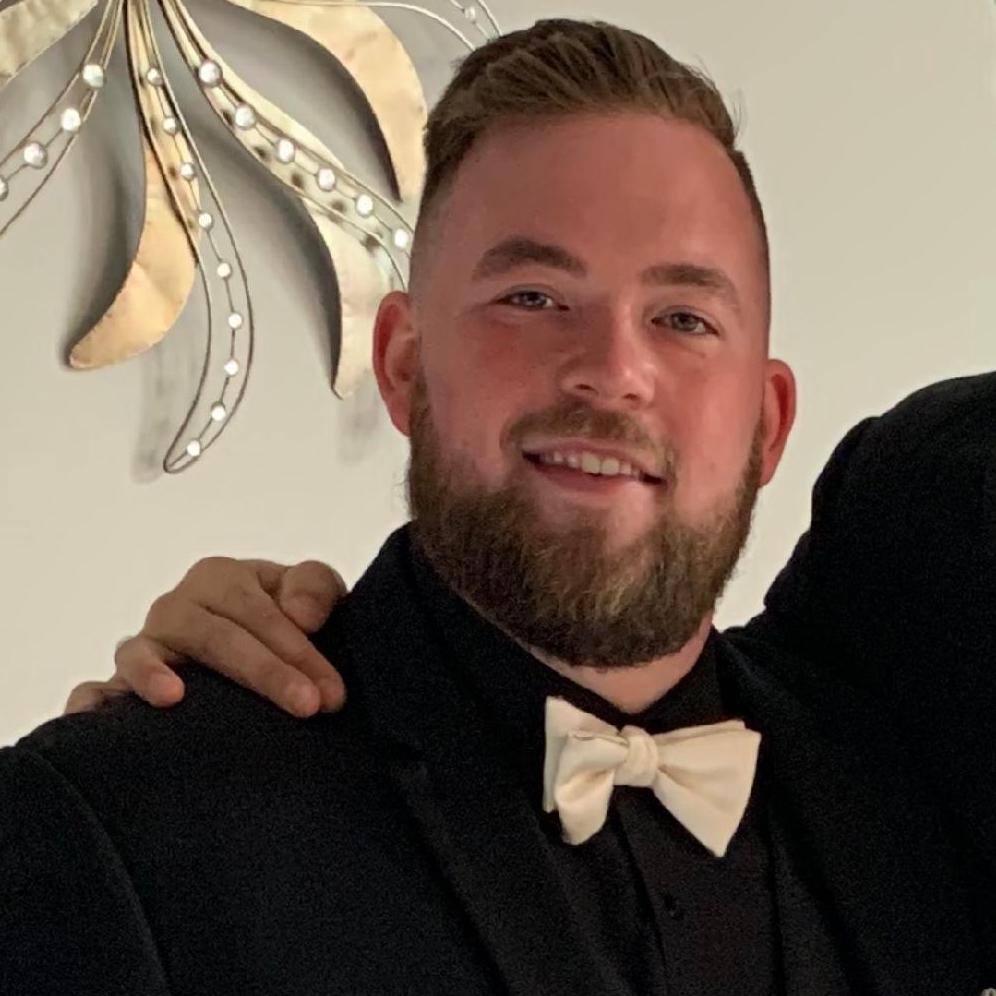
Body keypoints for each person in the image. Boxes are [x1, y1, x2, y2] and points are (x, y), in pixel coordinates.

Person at [3, 18, 990, 995]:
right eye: (533, 297)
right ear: (404, 365)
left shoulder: (895, 783)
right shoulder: (118, 828)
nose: (613, 371)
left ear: (768, 425)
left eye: (684, 318)